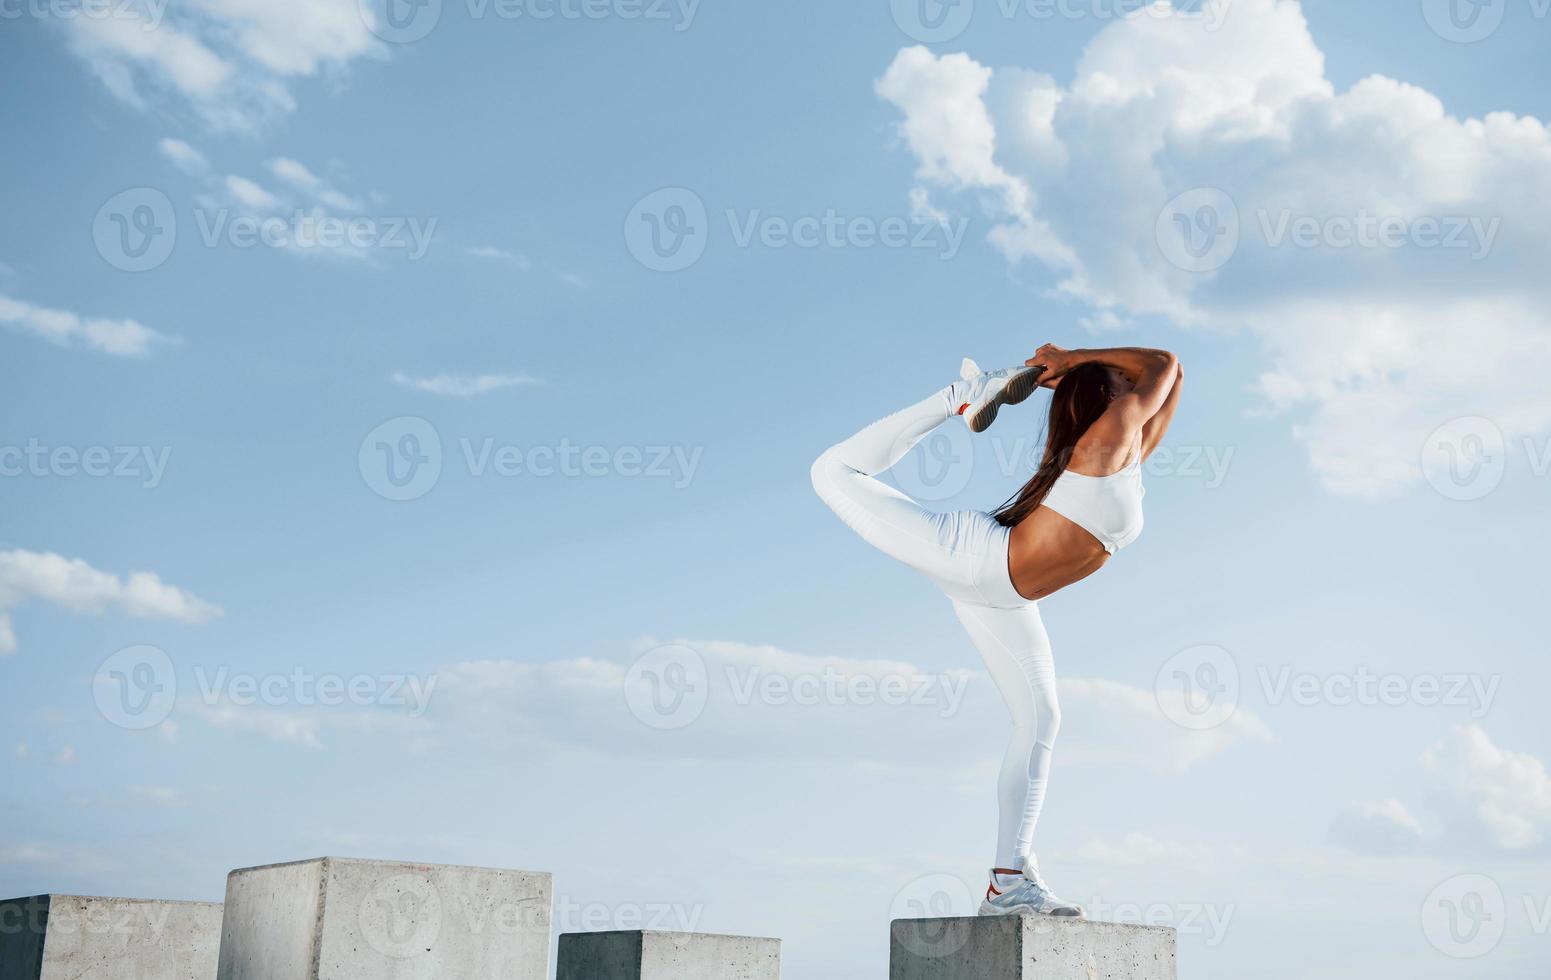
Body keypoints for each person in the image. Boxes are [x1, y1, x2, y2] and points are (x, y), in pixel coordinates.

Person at [810, 344, 1183, 917]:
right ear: (1111, 395)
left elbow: (1169, 373)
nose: (1132, 384)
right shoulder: (1109, 436)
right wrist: (1071, 360)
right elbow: (1162, 363)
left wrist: (1063, 366)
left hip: (1001, 597)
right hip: (973, 558)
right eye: (1120, 380)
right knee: (831, 472)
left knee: (1041, 719)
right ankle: (957, 397)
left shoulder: (1125, 446)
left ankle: (1009, 879)